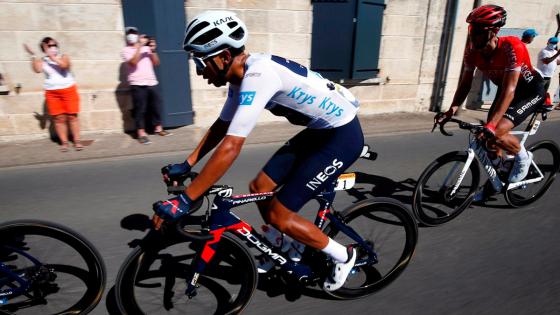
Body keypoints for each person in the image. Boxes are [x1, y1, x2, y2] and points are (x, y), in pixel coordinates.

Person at [152, 11, 364, 291]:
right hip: (320, 131)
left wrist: (186, 199)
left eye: (201, 62)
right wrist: (188, 163)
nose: (200, 71)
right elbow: (222, 126)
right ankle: (289, 246)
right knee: (259, 186)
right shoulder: (240, 77)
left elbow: (231, 146)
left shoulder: (258, 75)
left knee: (279, 214)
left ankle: (344, 255)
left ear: (224, 56)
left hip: (341, 136)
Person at [437, 5, 545, 188]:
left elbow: (510, 89)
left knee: (497, 132)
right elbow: (465, 83)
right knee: (487, 138)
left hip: (529, 92)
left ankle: (523, 158)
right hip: (506, 92)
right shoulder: (472, 51)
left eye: (478, 31)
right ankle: (499, 179)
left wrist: (493, 125)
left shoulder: (512, 46)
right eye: (472, 29)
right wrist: (452, 109)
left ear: (494, 31)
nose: (473, 35)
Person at [24, 38, 83, 152]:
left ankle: (77, 141)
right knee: (58, 118)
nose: (53, 47)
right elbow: (37, 69)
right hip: (52, 92)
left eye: (54, 45)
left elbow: (64, 66)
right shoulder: (43, 60)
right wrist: (32, 56)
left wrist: (52, 56)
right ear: (44, 48)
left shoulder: (63, 56)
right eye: (49, 46)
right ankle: (64, 142)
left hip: (68, 89)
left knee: (72, 116)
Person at [121, 26, 171, 145]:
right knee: (140, 109)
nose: (132, 35)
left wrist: (152, 50)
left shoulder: (146, 49)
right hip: (137, 82)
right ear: (127, 36)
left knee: (156, 106)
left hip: (151, 81)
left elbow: (156, 63)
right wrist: (139, 47)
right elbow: (133, 62)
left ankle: (158, 128)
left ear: (137, 35)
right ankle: (141, 133)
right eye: (130, 33)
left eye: (134, 33)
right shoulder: (126, 50)